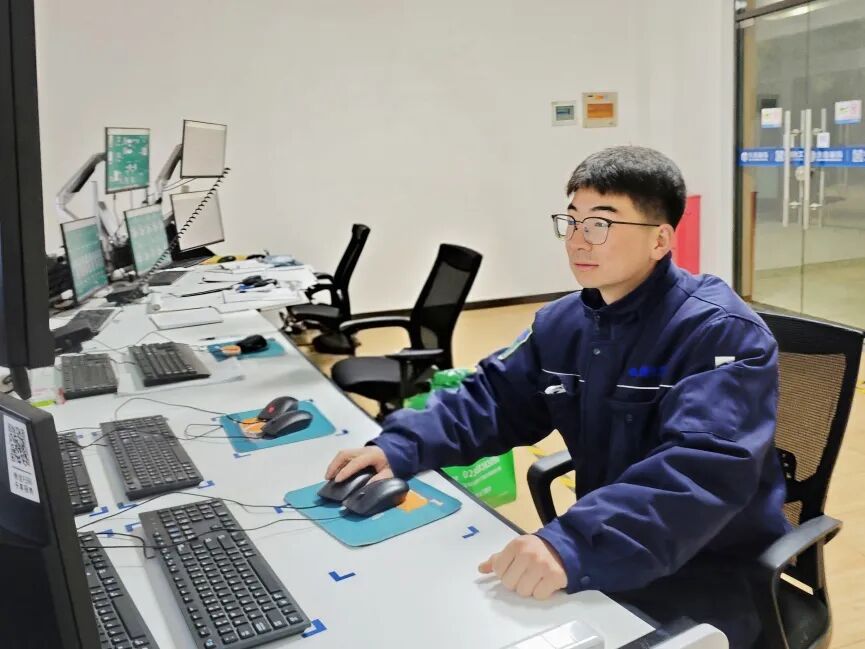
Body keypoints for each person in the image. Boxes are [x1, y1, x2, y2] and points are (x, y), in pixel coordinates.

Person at [325, 145, 789, 648]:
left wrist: (572, 543)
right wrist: (400, 446)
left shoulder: (721, 334)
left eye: (601, 224)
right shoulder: (563, 322)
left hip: (709, 566)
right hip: (613, 544)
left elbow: (699, 472)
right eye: (571, 221)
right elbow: (491, 397)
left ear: (659, 239)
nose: (577, 240)